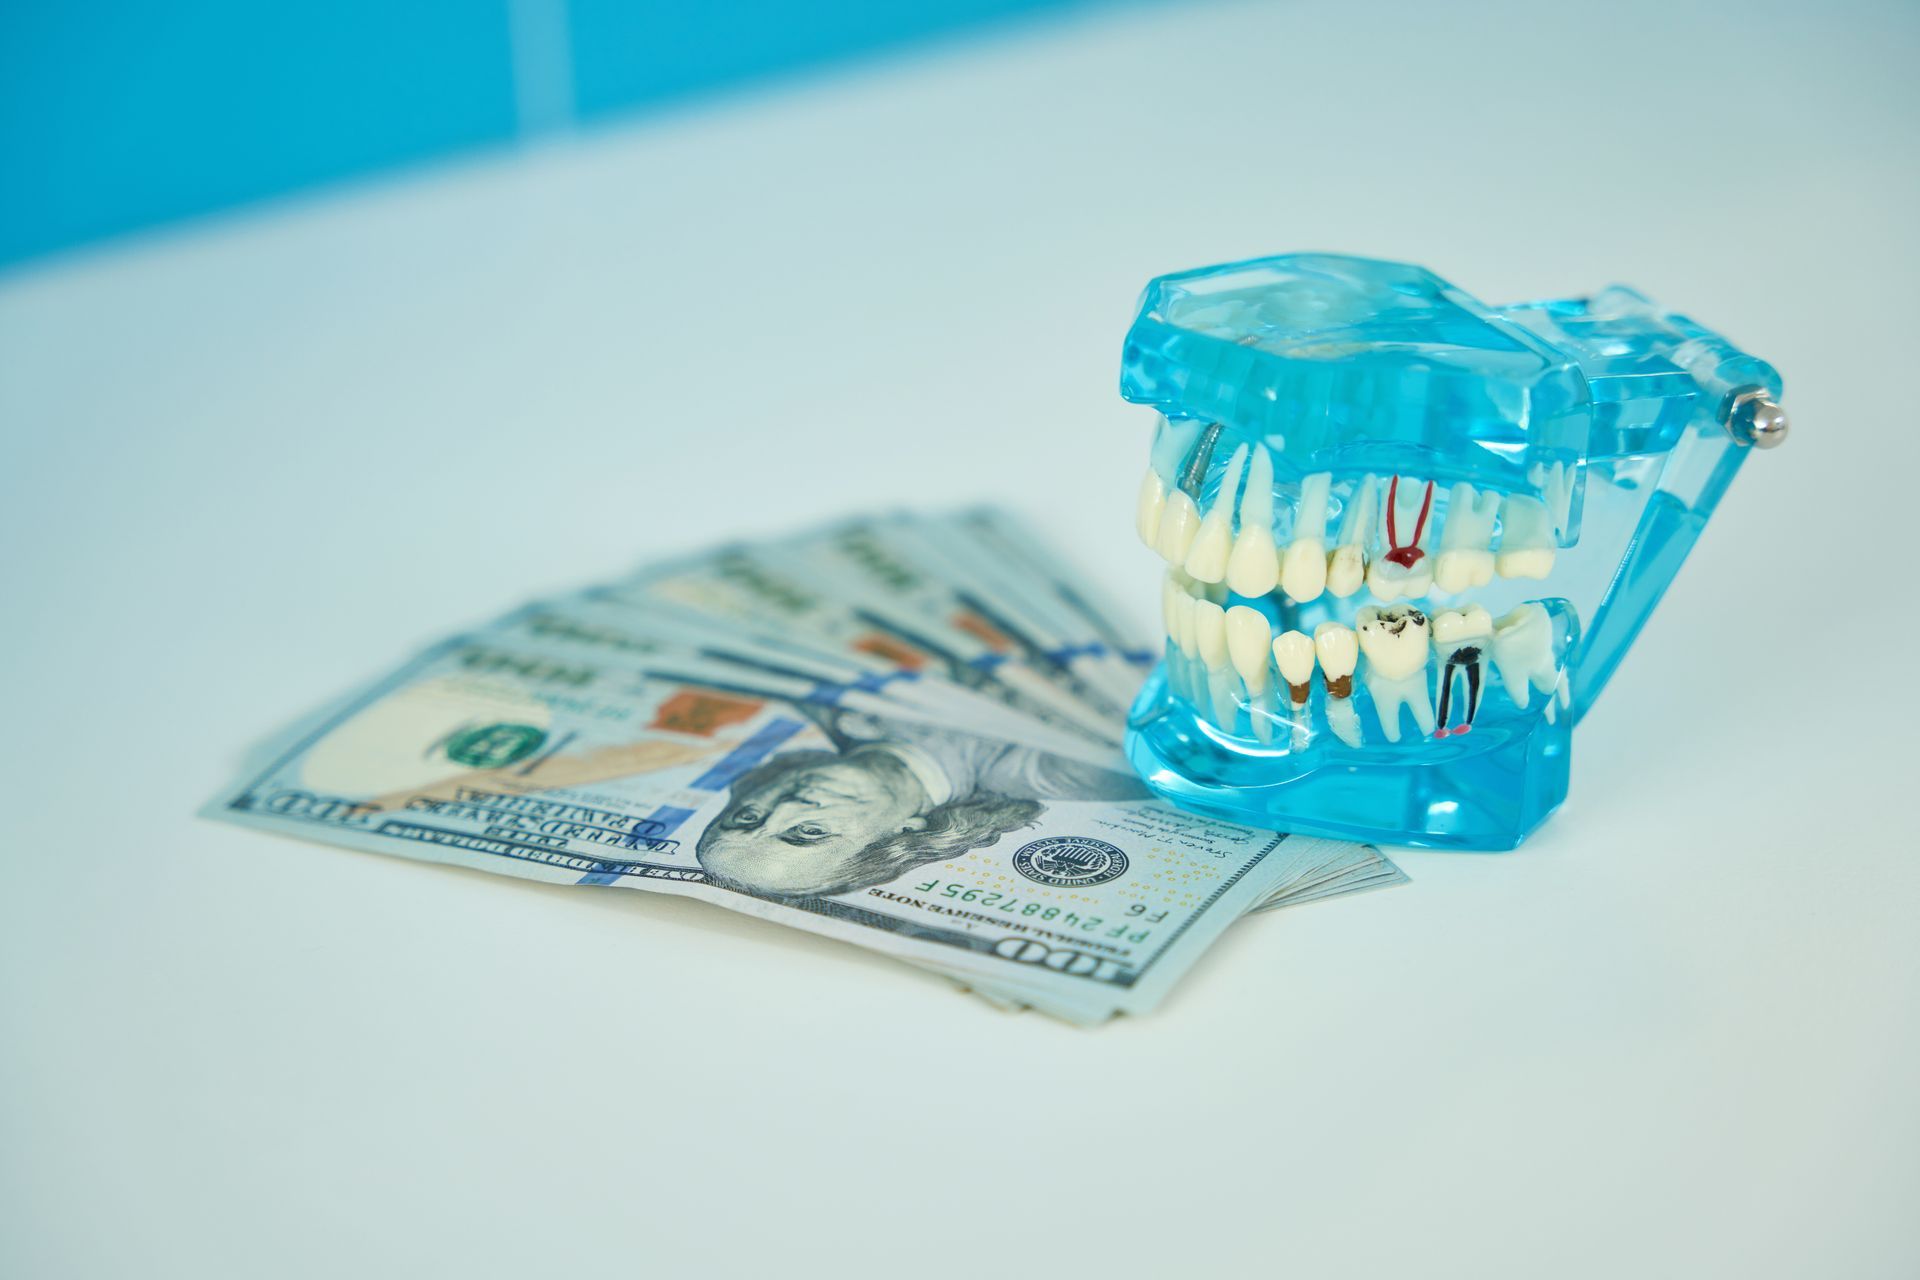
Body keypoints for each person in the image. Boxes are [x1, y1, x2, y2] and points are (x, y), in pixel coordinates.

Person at [694, 704, 1145, 899]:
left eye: (747, 817)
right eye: (808, 833)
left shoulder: (822, 703)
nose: (787, 808)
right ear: (903, 834)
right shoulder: (1053, 772)